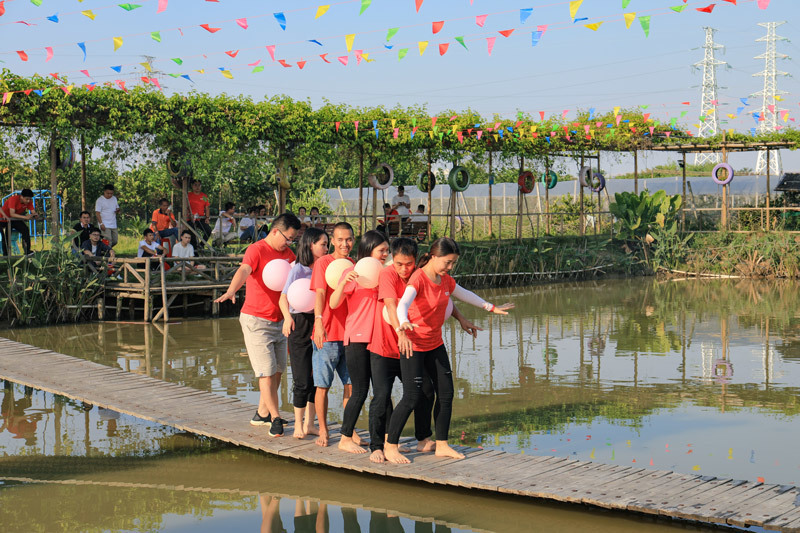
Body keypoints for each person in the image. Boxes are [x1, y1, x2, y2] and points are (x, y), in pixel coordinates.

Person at [385, 237, 513, 464]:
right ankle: (390, 445)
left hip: (434, 343)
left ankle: (442, 444)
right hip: (413, 343)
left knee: (446, 393)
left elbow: (465, 294)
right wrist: (403, 322)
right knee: (412, 397)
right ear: (434, 257)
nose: (450, 267)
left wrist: (491, 308)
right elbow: (403, 302)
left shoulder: (444, 280)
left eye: (453, 263)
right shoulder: (419, 278)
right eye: (448, 262)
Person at [367, 237, 478, 463]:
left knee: (439, 392)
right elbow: (393, 305)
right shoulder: (391, 275)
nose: (404, 269)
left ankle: (436, 442)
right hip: (398, 342)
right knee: (401, 395)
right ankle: (384, 445)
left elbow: (445, 296)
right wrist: (401, 331)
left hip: (427, 342)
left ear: (416, 260)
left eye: (408, 264)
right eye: (399, 264)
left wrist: (465, 317)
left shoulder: (432, 275)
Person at [214, 213, 302, 438]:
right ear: (275, 231)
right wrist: (232, 289)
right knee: (266, 372)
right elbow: (244, 269)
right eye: (289, 238)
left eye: (293, 240)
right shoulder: (256, 250)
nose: (290, 243)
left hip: (279, 320)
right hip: (257, 321)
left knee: (279, 370)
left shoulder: (288, 254)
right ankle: (275, 418)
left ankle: (262, 414)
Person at [329, 230, 390, 454]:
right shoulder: (353, 272)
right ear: (368, 249)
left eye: (386, 250)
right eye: (381, 250)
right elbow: (334, 304)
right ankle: (345, 438)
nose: (385, 254)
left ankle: (388, 438)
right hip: (356, 338)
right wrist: (342, 282)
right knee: (360, 390)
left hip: (380, 339)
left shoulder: (386, 272)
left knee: (383, 391)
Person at [310, 221, 357, 447]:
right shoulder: (323, 263)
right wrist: (319, 322)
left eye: (348, 239)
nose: (344, 243)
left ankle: (350, 430)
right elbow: (320, 294)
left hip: (350, 336)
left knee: (351, 386)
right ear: (333, 240)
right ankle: (323, 428)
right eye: (340, 239)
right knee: (323, 385)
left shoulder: (355, 265)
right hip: (327, 333)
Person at [279, 227, 328, 439]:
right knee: (301, 379)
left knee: (315, 377)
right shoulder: (298, 269)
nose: (327, 248)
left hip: (319, 322)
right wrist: (287, 317)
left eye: (327, 244)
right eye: (323, 244)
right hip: (299, 322)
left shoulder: (326, 268)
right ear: (311, 245)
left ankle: (310, 423)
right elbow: (283, 297)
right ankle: (298, 424)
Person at [0, 188, 34, 256]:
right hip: (3, 219)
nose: (28, 201)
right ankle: (6, 255)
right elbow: (12, 213)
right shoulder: (13, 199)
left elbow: (33, 211)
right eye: (27, 199)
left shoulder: (29, 202)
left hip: (13, 219)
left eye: (30, 199)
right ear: (21, 196)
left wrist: (35, 215)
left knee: (25, 229)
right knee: (5, 237)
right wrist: (25, 217)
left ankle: (27, 251)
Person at [187, 179, 211, 248]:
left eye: (199, 185)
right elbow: (185, 207)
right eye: (195, 185)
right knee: (193, 234)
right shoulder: (188, 195)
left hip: (201, 218)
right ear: (192, 186)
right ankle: (195, 251)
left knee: (208, 230)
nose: (197, 187)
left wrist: (207, 218)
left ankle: (201, 245)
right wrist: (188, 215)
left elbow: (207, 208)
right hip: (190, 218)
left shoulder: (204, 196)